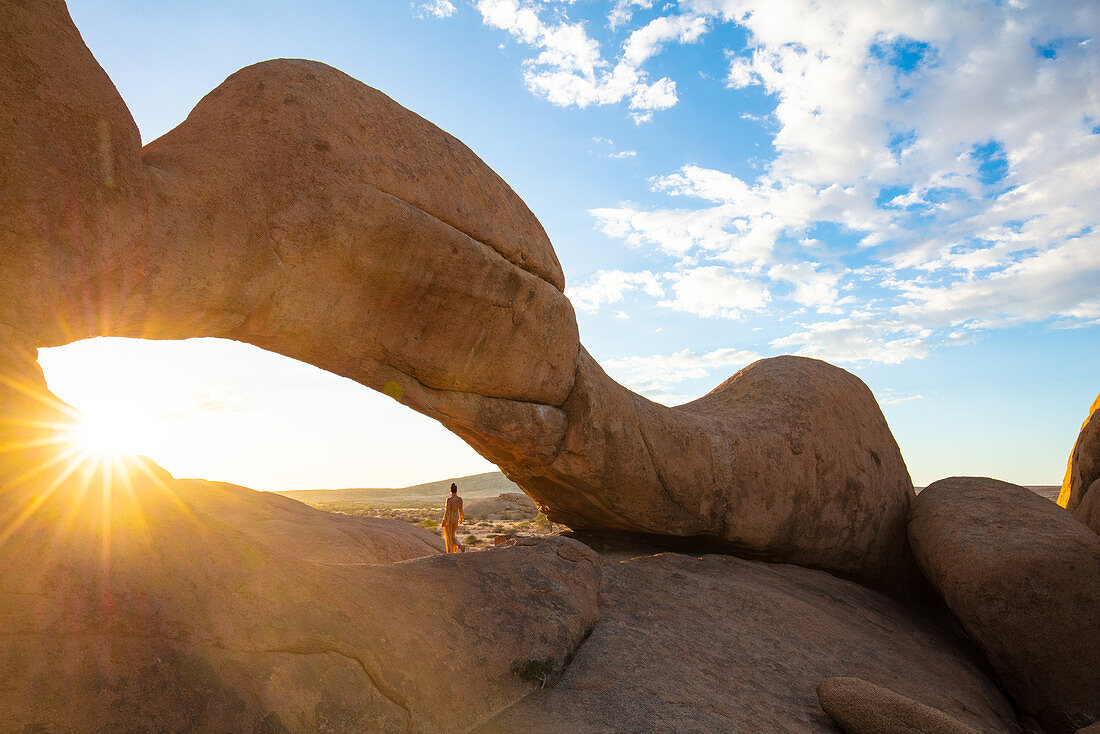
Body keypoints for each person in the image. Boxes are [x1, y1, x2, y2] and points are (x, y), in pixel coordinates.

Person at [441, 482, 465, 553]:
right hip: (455, 519)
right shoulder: (460, 499)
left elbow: (447, 512)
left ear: (450, 490)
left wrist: (444, 521)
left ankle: (458, 547)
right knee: (453, 536)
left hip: (449, 520)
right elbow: (460, 510)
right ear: (456, 490)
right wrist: (461, 518)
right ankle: (460, 546)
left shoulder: (449, 500)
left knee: (449, 537)